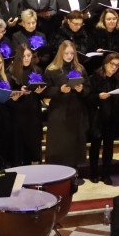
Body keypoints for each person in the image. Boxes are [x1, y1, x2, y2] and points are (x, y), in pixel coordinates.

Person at [44, 41, 89, 174]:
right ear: (61, 53)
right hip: (59, 112)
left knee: (73, 146)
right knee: (59, 145)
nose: (69, 56)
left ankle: (73, 174)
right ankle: (56, 174)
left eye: (71, 53)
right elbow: (45, 91)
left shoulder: (79, 68)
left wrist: (81, 90)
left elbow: (89, 88)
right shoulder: (52, 69)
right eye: (66, 53)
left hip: (75, 112)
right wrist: (59, 90)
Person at [88, 53, 119, 184]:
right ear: (105, 64)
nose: (114, 68)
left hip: (112, 117)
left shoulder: (118, 80)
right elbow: (88, 97)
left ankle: (106, 174)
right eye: (112, 64)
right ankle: (94, 173)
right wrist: (98, 97)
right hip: (98, 116)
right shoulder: (95, 78)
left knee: (109, 147)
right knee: (95, 146)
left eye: (117, 65)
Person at [9, 45, 47, 165]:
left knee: (33, 149)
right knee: (19, 150)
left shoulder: (37, 70)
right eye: (24, 56)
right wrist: (16, 94)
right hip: (17, 116)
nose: (26, 58)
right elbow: (6, 96)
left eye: (29, 56)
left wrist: (40, 92)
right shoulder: (10, 72)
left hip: (33, 115)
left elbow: (43, 92)